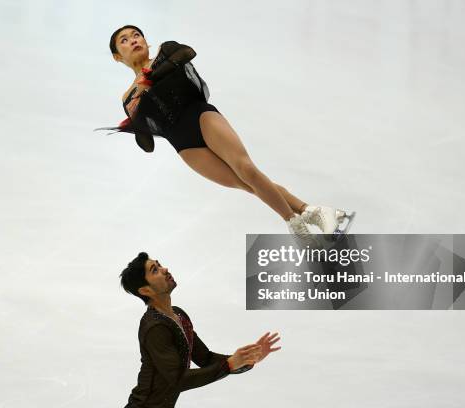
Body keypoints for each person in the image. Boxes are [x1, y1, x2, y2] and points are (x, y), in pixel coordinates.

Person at [96, 25, 355, 241]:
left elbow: (186, 53)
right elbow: (146, 135)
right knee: (247, 184)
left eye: (136, 35)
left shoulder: (166, 51)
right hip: (184, 144)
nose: (133, 40)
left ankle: (298, 229)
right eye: (125, 40)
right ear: (118, 56)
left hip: (201, 117)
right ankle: (318, 213)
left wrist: (148, 80)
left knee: (248, 170)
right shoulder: (129, 95)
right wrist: (137, 113)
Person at [119, 252, 281, 408]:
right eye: (155, 270)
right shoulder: (155, 328)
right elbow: (178, 379)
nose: (165, 269)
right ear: (145, 290)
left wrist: (247, 359)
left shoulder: (179, 315)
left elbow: (206, 358)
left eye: (159, 265)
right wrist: (229, 365)